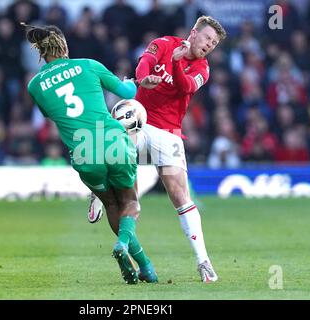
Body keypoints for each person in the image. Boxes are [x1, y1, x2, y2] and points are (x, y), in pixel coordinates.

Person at [89, 16, 227, 283]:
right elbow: (144, 63)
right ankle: (98, 190)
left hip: (169, 131)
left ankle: (204, 262)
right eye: (207, 38)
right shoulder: (162, 43)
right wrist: (143, 80)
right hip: (139, 121)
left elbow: (185, 86)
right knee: (125, 178)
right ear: (193, 32)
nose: (209, 45)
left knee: (179, 195)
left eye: (214, 43)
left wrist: (175, 63)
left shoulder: (203, 68)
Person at [23, 23, 157, 284]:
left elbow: (51, 114)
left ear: (40, 50)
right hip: (111, 138)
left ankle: (143, 265)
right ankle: (127, 249)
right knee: (130, 202)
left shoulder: (35, 85)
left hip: (83, 152)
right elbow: (128, 92)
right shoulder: (88, 65)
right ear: (64, 45)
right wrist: (131, 81)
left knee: (110, 204)